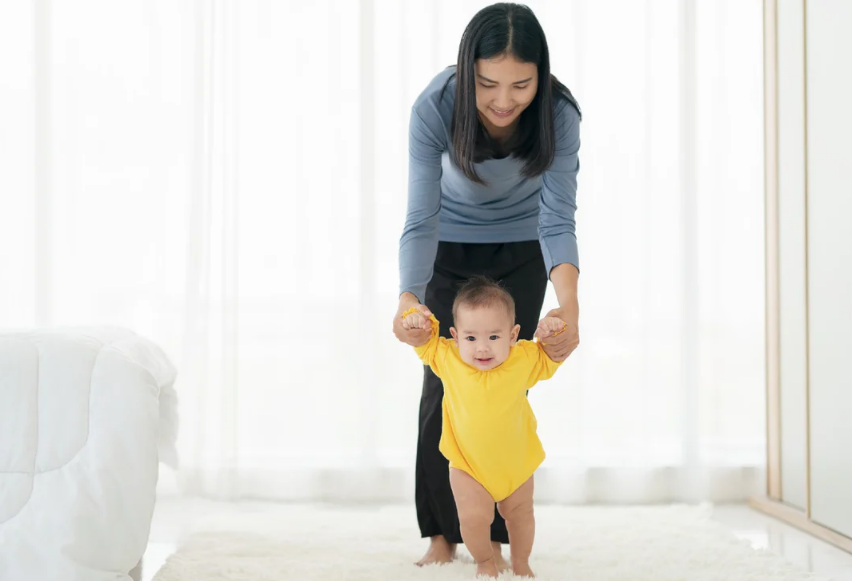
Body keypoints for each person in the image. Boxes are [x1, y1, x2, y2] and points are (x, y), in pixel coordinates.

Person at [392, 1, 582, 570]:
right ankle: (441, 533)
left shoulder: (559, 113)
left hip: (524, 245)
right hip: (448, 244)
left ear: (541, 76)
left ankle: (493, 538)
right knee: (443, 388)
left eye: (521, 85)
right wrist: (408, 298)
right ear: (465, 70)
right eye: (487, 84)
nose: (503, 100)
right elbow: (421, 216)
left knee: (504, 386)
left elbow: (558, 219)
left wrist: (569, 306)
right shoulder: (435, 106)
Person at [401, 276, 566, 578]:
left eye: (493, 336)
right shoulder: (447, 357)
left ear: (513, 335)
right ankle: (485, 562)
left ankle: (521, 563)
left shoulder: (523, 357)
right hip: (468, 464)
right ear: (455, 336)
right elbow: (424, 339)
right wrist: (415, 318)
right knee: (473, 518)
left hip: (516, 463)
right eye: (471, 338)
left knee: (521, 516)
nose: (482, 348)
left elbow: (552, 354)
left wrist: (554, 330)